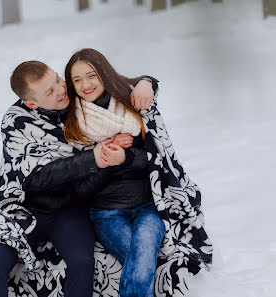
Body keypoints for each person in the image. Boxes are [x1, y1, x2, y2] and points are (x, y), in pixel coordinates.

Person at [0, 60, 157, 297]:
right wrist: (91, 158)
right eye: (50, 92)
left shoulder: (79, 105)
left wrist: (146, 83)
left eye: (57, 80)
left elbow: (117, 83)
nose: (61, 90)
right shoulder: (17, 121)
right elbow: (39, 177)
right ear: (31, 103)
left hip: (69, 207)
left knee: (82, 261)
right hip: (24, 207)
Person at [63, 48, 213, 297]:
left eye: (91, 75)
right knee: (141, 260)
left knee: (143, 253)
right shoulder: (72, 122)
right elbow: (80, 187)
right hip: (106, 212)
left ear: (104, 73)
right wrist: (103, 161)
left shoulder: (131, 104)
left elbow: (157, 159)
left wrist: (127, 156)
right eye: (77, 80)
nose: (85, 84)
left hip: (148, 205)